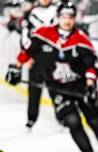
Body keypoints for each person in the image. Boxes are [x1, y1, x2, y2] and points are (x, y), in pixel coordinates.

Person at [5, 2, 98, 152]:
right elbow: (27, 52)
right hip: (58, 88)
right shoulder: (43, 34)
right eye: (63, 17)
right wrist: (15, 68)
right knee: (72, 120)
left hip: (82, 87)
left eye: (70, 17)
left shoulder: (81, 38)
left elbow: (92, 64)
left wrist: (90, 84)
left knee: (95, 119)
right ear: (58, 17)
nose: (67, 21)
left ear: (75, 18)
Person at [19, 0, 57, 130]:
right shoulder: (31, 13)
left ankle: (62, 117)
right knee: (34, 90)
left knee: (56, 90)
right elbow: (25, 37)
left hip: (54, 58)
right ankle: (31, 119)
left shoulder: (59, 10)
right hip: (36, 58)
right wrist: (28, 56)